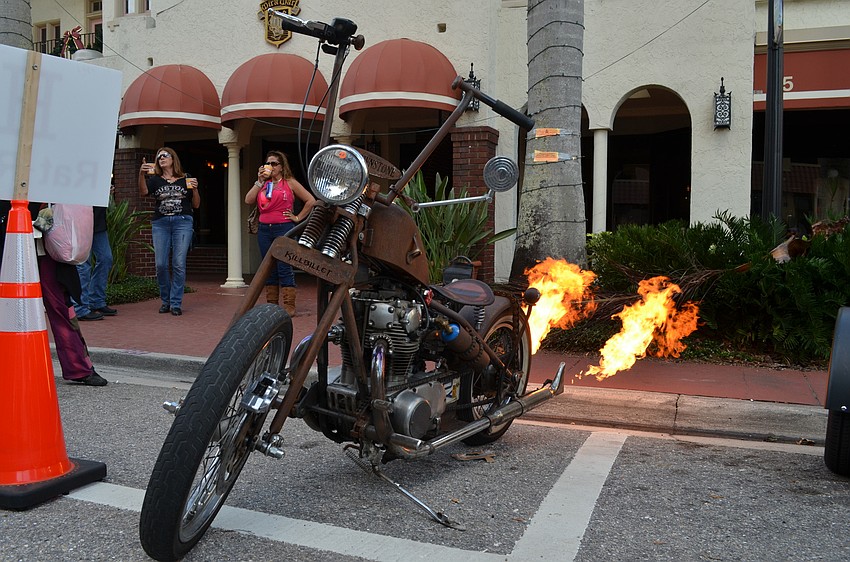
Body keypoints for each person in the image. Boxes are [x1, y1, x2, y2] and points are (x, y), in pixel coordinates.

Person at [0, 200, 107, 386]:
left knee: (62, 309)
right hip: (13, 250)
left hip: (46, 253)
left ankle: (80, 367)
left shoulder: (49, 183)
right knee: (9, 310)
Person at [245, 150, 315, 315]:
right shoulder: (263, 184)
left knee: (284, 266)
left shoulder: (289, 182)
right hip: (264, 229)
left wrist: (297, 218)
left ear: (282, 167)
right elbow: (248, 200)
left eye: (274, 164)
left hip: (284, 228)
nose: (270, 166)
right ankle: (272, 305)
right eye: (268, 163)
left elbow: (310, 201)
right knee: (268, 266)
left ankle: (289, 305)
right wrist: (259, 181)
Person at [138, 147, 200, 316]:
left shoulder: (185, 178)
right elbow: (143, 192)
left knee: (179, 263)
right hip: (161, 223)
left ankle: (175, 303)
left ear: (173, 159)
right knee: (160, 264)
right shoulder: (155, 180)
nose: (161, 158)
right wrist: (141, 174)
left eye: (165, 155)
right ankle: (165, 300)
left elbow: (196, 205)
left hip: (182, 222)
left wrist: (195, 189)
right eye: (159, 157)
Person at [75, 200, 116, 321]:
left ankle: (96, 301)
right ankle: (80, 308)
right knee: (83, 264)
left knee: (106, 259)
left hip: (98, 223)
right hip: (80, 222)